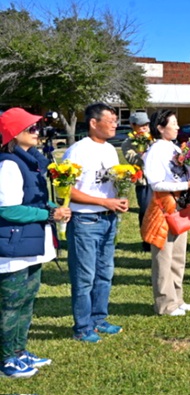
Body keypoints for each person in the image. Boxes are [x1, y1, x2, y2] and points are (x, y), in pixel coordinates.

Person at [0, 108, 69, 377]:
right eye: (31, 129)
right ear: (14, 134)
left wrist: (53, 206)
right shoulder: (9, 164)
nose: (37, 132)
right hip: (13, 246)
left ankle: (19, 351)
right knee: (11, 304)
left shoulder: (29, 162)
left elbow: (33, 199)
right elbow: (7, 209)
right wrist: (50, 214)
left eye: (37, 128)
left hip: (31, 244)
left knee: (27, 300)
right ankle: (6, 358)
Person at [63, 102, 129, 341]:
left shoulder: (110, 150)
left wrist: (119, 198)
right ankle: (82, 328)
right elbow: (67, 191)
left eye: (115, 120)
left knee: (104, 273)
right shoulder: (78, 151)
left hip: (108, 219)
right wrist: (104, 203)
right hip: (85, 221)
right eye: (110, 120)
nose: (115, 124)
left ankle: (98, 320)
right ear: (93, 122)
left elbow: (112, 183)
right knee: (84, 277)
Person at [141, 109, 190, 316]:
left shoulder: (174, 147)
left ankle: (177, 299)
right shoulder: (156, 151)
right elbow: (156, 183)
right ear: (161, 128)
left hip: (180, 205)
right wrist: (189, 182)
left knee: (178, 256)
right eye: (174, 123)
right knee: (164, 257)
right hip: (164, 206)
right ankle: (165, 304)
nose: (178, 127)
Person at [121, 111, 153, 252]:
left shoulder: (155, 139)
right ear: (133, 125)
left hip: (159, 181)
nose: (144, 127)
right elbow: (134, 159)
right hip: (144, 182)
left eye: (146, 124)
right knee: (146, 210)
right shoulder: (127, 143)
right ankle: (146, 241)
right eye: (141, 125)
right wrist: (144, 152)